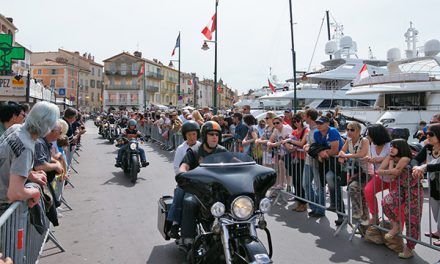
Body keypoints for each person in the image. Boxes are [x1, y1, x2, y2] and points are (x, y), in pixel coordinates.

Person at [0, 102, 59, 215]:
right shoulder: (26, 147)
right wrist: (34, 193)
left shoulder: (16, 129)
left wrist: (31, 175)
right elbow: (15, 193)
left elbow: (10, 160)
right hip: (3, 206)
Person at [178, 121, 227, 244]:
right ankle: (187, 238)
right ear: (205, 136)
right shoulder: (195, 150)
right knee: (189, 202)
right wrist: (182, 172)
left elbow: (236, 162)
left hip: (218, 188)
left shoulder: (222, 151)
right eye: (211, 134)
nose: (215, 137)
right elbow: (184, 165)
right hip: (197, 189)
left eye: (217, 134)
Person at [380, 139, 422, 259]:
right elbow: (390, 174)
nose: (391, 148)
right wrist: (391, 162)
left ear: (402, 148)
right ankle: (396, 226)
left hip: (414, 191)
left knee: (412, 220)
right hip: (401, 189)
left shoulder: (405, 159)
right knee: (386, 202)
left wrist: (388, 169)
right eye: (391, 146)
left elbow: (392, 173)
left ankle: (409, 249)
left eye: (395, 147)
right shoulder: (394, 158)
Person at [168, 121, 201, 238]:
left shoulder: (201, 147)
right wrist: (184, 176)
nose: (192, 137)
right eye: (189, 135)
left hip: (201, 181)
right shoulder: (181, 149)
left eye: (194, 134)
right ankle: (175, 224)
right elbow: (177, 167)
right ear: (185, 136)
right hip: (186, 181)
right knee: (179, 195)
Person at [412, 123, 440, 247]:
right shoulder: (428, 147)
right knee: (435, 211)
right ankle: (439, 231)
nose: (427, 136)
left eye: (431, 134)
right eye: (426, 134)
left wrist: (424, 167)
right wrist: (415, 168)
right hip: (434, 184)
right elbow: (415, 159)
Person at [338, 121, 372, 224]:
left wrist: (346, 156)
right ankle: (364, 223)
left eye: (352, 129)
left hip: (366, 171)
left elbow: (361, 154)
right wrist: (341, 156)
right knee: (360, 195)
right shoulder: (348, 140)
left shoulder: (364, 140)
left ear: (358, 131)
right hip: (354, 171)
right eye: (347, 129)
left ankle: (359, 214)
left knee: (354, 189)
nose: (349, 131)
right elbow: (341, 151)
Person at [314, 116, 345, 226]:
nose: (318, 125)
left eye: (321, 123)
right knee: (328, 180)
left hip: (338, 163)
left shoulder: (333, 131)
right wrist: (321, 152)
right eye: (317, 123)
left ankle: (341, 214)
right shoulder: (317, 133)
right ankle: (335, 206)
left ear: (327, 124)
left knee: (333, 182)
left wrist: (324, 153)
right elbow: (317, 147)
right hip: (325, 163)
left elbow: (335, 150)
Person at [363, 124, 395, 225]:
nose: (367, 136)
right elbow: (373, 156)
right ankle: (375, 216)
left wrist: (380, 159)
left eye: (369, 134)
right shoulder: (372, 144)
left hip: (394, 178)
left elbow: (394, 157)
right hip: (380, 176)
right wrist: (369, 159)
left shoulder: (390, 145)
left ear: (376, 135)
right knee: (368, 191)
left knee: (393, 201)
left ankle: (395, 223)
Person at [302, 108, 326, 217]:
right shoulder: (309, 129)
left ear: (309, 117)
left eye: (305, 116)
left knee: (318, 186)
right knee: (306, 184)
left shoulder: (318, 129)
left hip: (316, 162)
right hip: (308, 161)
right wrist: (307, 146)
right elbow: (309, 143)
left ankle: (320, 210)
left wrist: (309, 147)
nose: (303, 118)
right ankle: (314, 206)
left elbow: (318, 145)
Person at [283, 114, 308, 211]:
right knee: (295, 182)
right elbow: (286, 143)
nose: (296, 123)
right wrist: (288, 144)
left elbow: (302, 143)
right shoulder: (293, 131)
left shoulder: (306, 130)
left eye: (298, 121)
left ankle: (303, 203)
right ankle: (298, 202)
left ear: (301, 121)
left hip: (302, 159)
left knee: (300, 181)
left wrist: (290, 141)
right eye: (294, 121)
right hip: (294, 158)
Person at [268, 116, 293, 190]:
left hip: (291, 151)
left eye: (277, 123)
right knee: (281, 165)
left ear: (282, 122)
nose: (275, 125)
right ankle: (282, 184)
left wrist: (272, 144)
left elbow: (285, 141)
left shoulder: (287, 128)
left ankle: (289, 186)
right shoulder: (275, 130)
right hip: (282, 152)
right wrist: (270, 143)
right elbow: (270, 140)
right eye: (274, 123)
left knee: (289, 170)